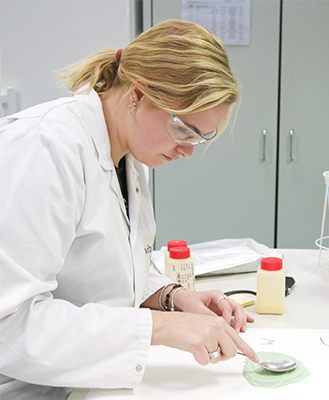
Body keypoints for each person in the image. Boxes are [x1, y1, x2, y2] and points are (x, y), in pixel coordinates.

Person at [0, 19, 259, 399]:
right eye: (184, 130)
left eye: (200, 138)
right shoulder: (43, 149)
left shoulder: (128, 155)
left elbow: (107, 273)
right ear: (138, 95)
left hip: (80, 381)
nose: (187, 150)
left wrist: (172, 297)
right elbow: (9, 322)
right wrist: (161, 328)